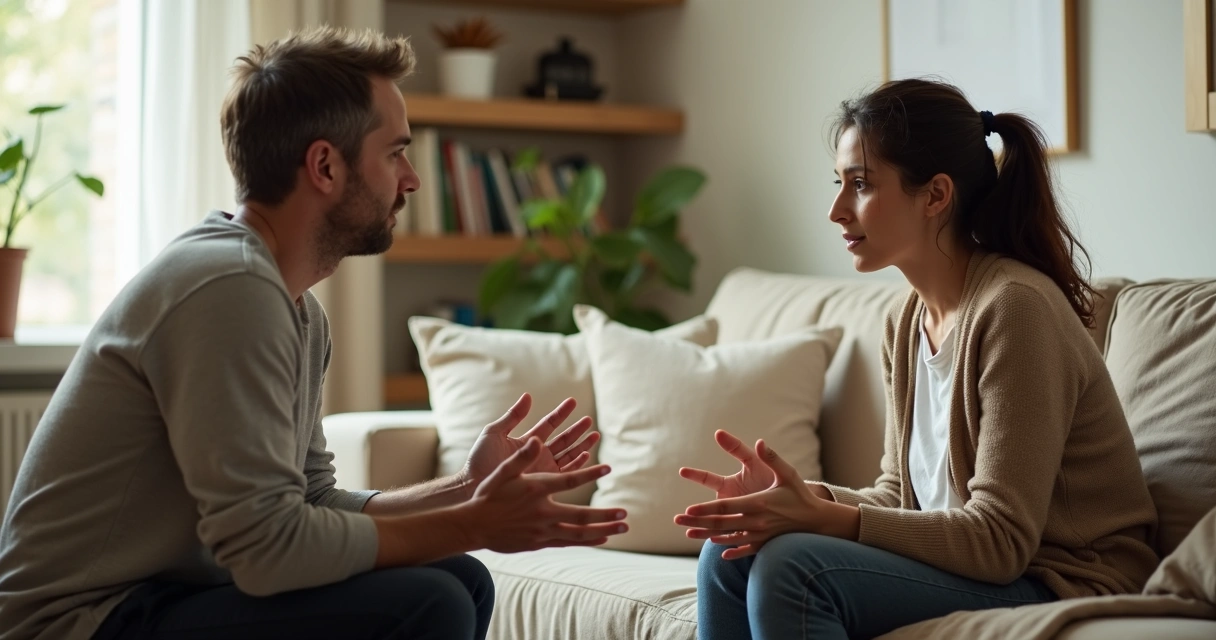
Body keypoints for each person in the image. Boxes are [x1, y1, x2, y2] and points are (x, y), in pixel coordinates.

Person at [0, 26, 627, 640]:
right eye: (396, 152)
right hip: (85, 619)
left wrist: (468, 489)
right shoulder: (227, 287)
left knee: (460, 579)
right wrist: (475, 522)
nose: (410, 179)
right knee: (428, 600)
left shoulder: (292, 304)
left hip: (163, 595)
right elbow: (268, 550)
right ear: (325, 165)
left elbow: (313, 499)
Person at [675, 78, 1159, 639]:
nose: (836, 209)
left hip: (1063, 575)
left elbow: (1000, 540)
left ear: (934, 195)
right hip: (989, 567)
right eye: (839, 183)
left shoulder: (1015, 309)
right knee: (727, 551)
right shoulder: (904, 321)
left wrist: (824, 517)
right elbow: (900, 498)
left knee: (793, 571)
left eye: (860, 184)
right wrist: (803, 498)